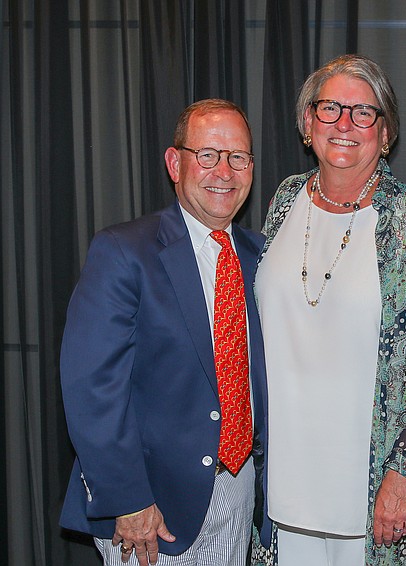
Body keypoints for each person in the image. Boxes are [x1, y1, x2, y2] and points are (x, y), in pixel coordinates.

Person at [251, 54, 406, 566]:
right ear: (307, 121)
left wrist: (401, 475)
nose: (344, 124)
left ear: (385, 133)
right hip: (281, 479)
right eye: (330, 108)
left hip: (364, 485)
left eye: (363, 112)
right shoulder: (284, 199)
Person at [60, 99, 266, 566]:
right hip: (150, 507)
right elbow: (91, 387)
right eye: (208, 155)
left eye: (238, 157)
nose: (224, 171)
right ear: (175, 163)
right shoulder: (124, 251)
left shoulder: (261, 258)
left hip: (238, 493)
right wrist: (127, 498)